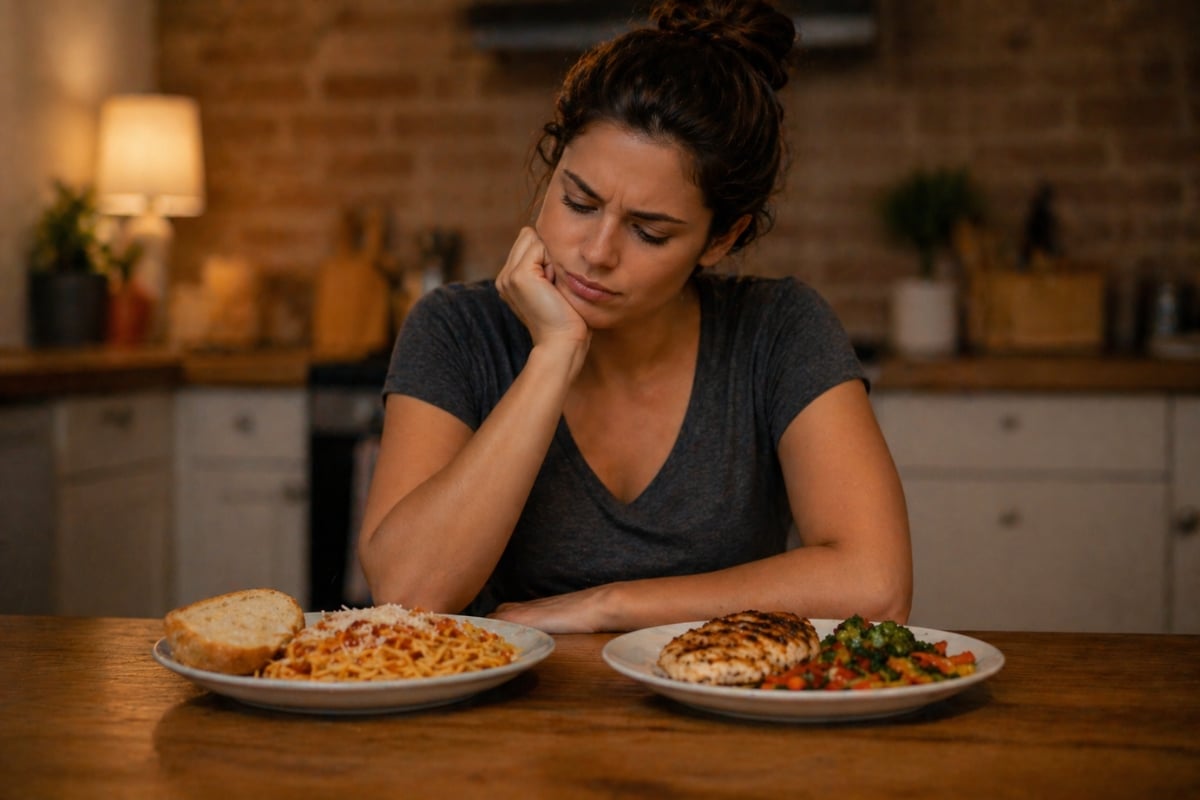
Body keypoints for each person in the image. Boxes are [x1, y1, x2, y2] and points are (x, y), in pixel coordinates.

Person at [358, 0, 911, 634]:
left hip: (723, 715)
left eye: (649, 233)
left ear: (720, 240)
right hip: (507, 725)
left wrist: (610, 606)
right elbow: (406, 593)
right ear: (553, 165)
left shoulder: (779, 330)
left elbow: (876, 586)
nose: (596, 253)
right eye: (578, 201)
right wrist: (554, 355)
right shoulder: (456, 330)